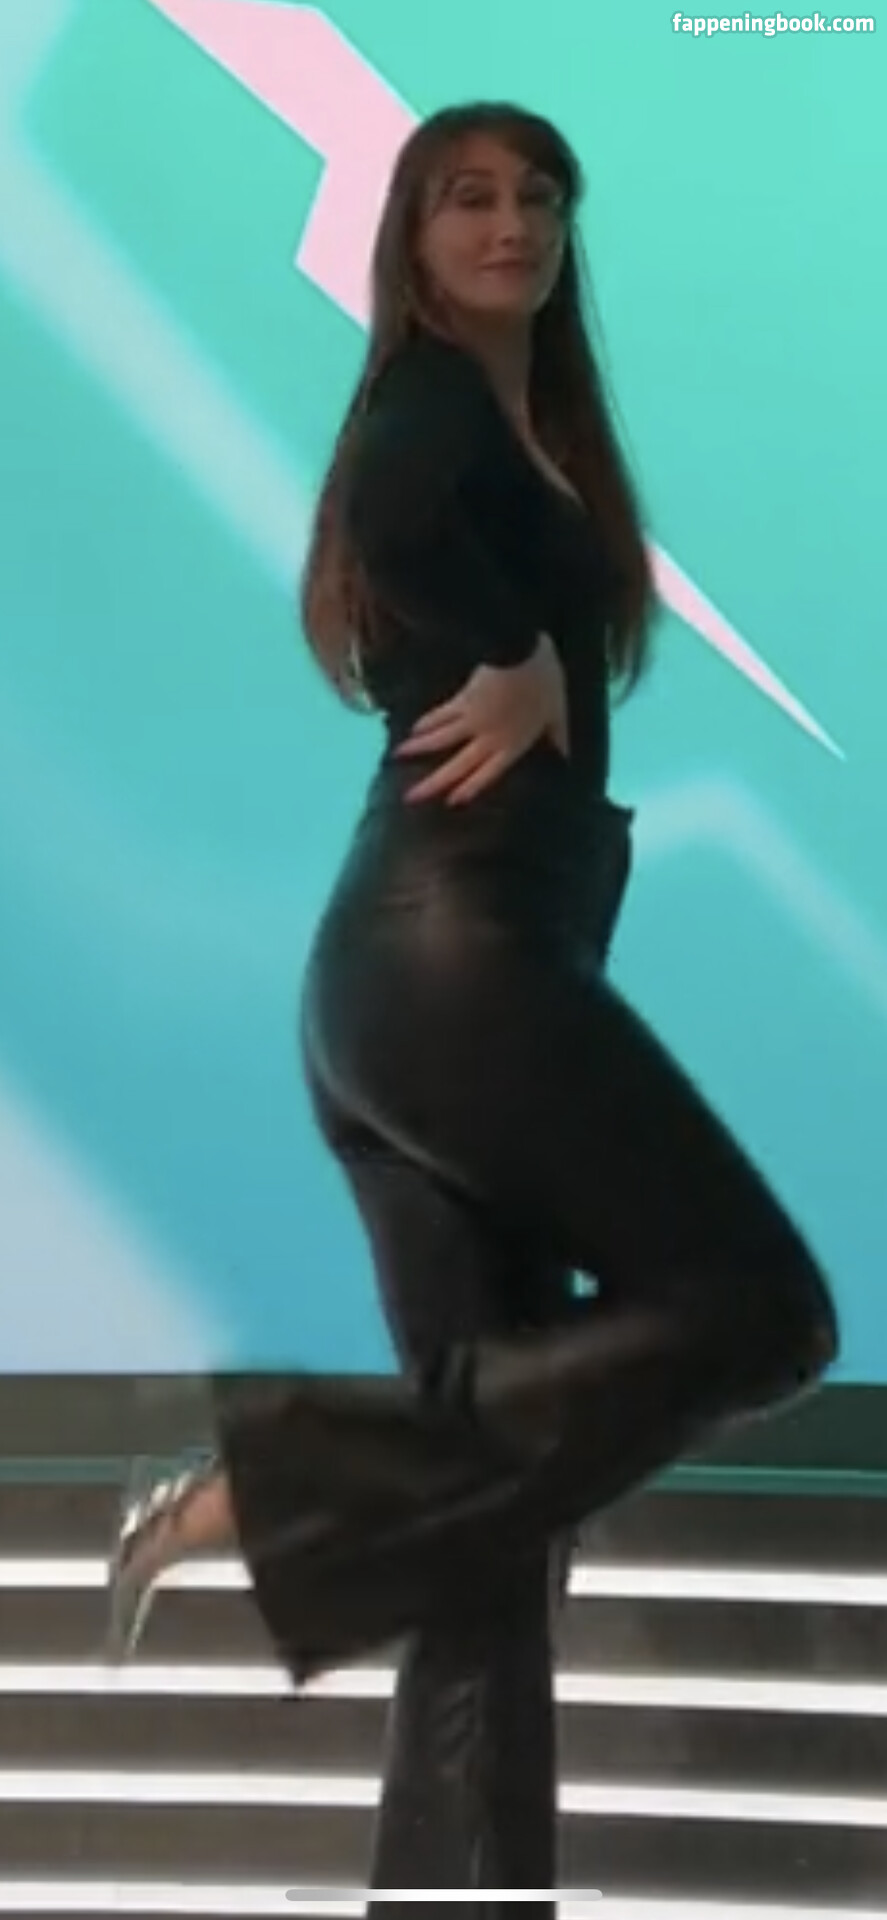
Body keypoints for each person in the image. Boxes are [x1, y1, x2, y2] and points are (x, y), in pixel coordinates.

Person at [104, 102, 839, 1899]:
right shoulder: (433, 403)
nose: (513, 224)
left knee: (487, 1569)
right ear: (412, 236)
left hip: (411, 979)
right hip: (456, 963)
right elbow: (381, 508)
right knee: (765, 1306)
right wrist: (517, 654)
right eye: (469, 198)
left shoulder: (520, 423)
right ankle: (282, 1488)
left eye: (539, 197)